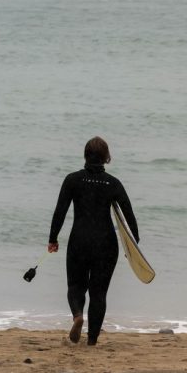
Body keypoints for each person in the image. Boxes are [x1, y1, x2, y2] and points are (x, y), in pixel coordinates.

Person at [48, 136, 138, 346]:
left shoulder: (72, 180)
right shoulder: (113, 184)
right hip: (106, 244)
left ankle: (78, 315)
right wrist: (133, 247)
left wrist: (53, 238)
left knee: (75, 286)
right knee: (99, 293)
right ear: (107, 158)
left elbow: (59, 212)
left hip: (79, 240)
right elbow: (129, 217)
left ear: (85, 156)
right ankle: (92, 341)